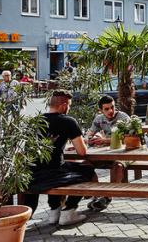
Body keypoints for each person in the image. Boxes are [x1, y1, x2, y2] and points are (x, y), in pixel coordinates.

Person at [23, 90, 101, 226]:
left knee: (64, 168)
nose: (69, 108)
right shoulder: (68, 121)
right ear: (64, 105)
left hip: (33, 173)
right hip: (54, 172)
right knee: (88, 170)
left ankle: (54, 211)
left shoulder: (36, 120)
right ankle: (69, 211)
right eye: (69, 105)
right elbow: (82, 152)